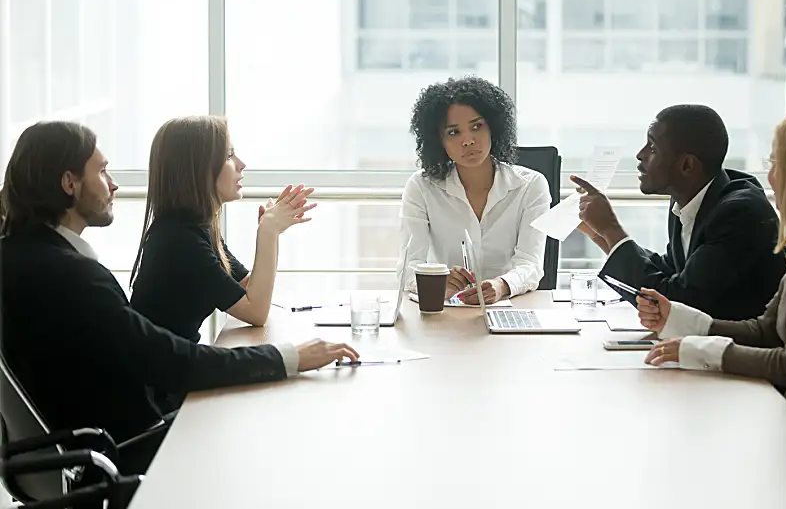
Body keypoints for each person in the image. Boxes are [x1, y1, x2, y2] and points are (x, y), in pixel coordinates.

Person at [0, 121, 358, 477]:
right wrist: (287, 357)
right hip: (125, 450)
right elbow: (171, 361)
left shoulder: (23, 259)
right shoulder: (72, 276)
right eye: (103, 170)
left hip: (94, 446)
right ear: (69, 183)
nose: (114, 183)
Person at [636, 111, 786, 478]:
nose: (770, 177)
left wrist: (701, 350)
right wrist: (681, 322)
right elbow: (766, 329)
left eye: (776, 163)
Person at [574, 104, 785, 320]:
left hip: (745, 348)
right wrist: (600, 235)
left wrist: (611, 228)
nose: (640, 154)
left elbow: (680, 302)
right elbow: (669, 271)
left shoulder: (739, 214)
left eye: (653, 147)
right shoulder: (687, 199)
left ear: (686, 165)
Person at [129, 116, 315, 345]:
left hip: (174, 366)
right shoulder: (179, 240)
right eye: (229, 155)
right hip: (156, 376)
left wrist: (271, 231)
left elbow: (250, 287)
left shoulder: (196, 228)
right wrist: (267, 231)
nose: (241, 163)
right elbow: (256, 311)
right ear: (197, 168)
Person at [400, 76, 551, 305]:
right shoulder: (421, 187)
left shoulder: (531, 186)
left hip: (511, 308)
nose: (468, 141)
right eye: (453, 132)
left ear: (493, 127)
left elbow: (530, 263)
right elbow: (408, 268)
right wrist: (437, 281)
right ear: (438, 140)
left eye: (477, 127)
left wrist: (501, 286)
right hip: (447, 313)